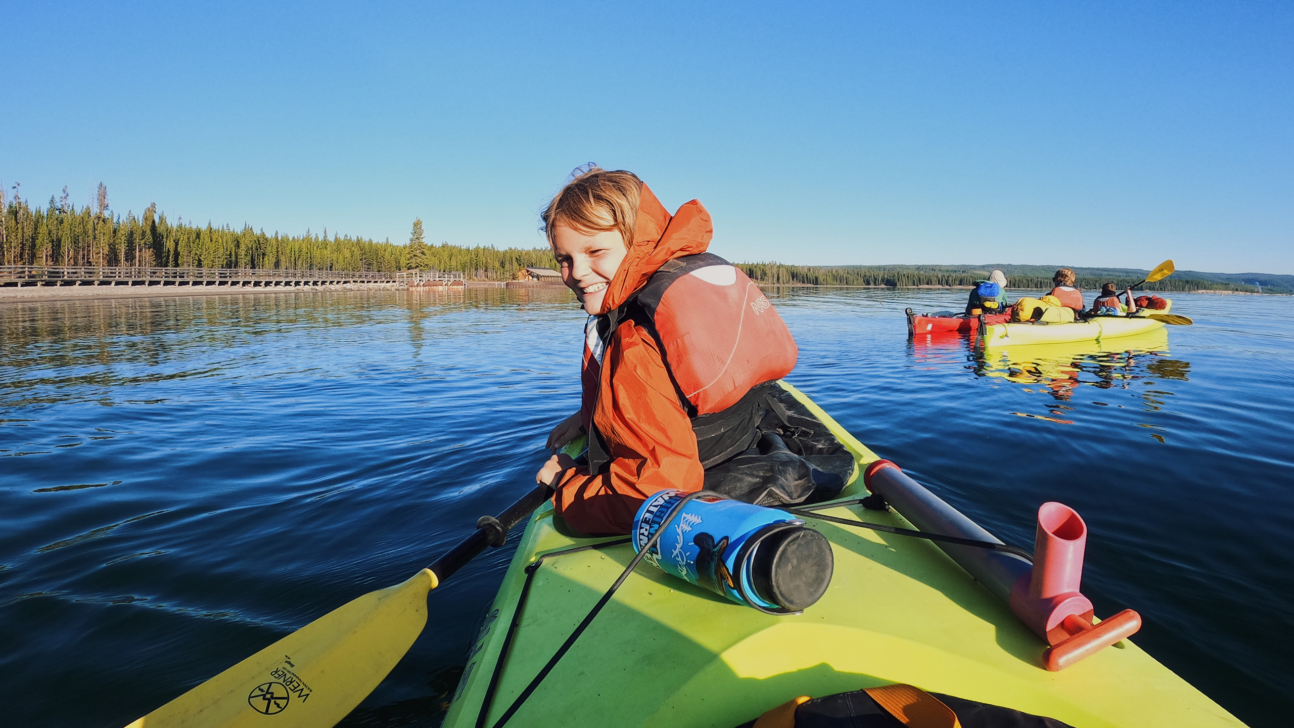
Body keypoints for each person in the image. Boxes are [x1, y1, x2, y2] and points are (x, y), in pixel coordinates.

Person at [535, 167, 851, 535]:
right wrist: (590, 415)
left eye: (595, 252)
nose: (577, 272)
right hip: (747, 440)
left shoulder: (636, 342)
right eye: (565, 259)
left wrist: (567, 483)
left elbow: (651, 496)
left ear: (637, 242)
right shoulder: (674, 278)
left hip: (690, 482)